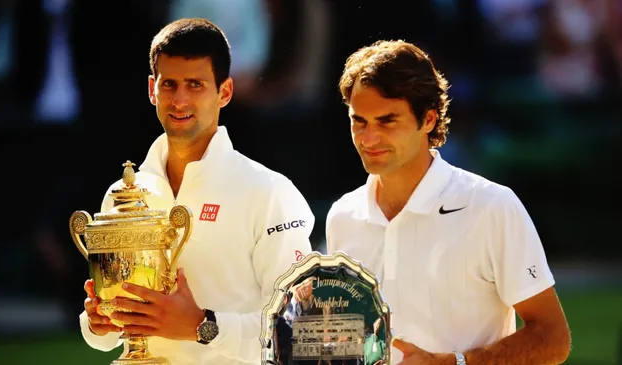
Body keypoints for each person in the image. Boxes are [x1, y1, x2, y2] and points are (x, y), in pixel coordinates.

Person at [78, 18, 314, 364]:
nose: (180, 99)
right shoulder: (121, 196)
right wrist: (99, 323)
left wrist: (203, 327)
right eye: (169, 84)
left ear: (225, 92)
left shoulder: (270, 191)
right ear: (151, 90)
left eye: (195, 84)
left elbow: (297, 328)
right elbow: (111, 333)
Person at [325, 40, 571, 365]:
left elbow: (553, 338)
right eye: (359, 121)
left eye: (387, 121)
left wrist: (455, 363)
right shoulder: (342, 216)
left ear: (427, 120)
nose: (368, 139)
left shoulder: (492, 207)